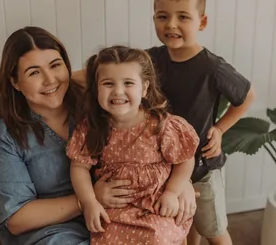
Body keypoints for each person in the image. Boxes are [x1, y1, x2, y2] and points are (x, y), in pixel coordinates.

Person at [0, 27, 135, 245]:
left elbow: (140, 74)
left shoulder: (97, 104)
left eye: (56, 65)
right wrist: (87, 199)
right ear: (15, 82)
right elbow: (16, 218)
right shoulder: (6, 132)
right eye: (34, 72)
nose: (50, 80)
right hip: (49, 233)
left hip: (114, 218)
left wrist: (182, 180)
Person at [147, 0, 256, 245]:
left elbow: (247, 95)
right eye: (163, 16)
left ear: (202, 22)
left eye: (183, 16)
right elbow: (111, 67)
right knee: (181, 226)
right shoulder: (151, 59)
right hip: (168, 168)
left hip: (202, 167)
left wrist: (219, 128)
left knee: (213, 230)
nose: (171, 24)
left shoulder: (212, 68)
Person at [66, 46, 200, 244]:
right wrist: (89, 202)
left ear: (144, 88)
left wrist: (173, 192)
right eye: (108, 83)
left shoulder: (161, 126)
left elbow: (185, 160)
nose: (118, 91)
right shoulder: (93, 128)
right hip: (115, 208)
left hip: (157, 206)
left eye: (128, 83)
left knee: (157, 239)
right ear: (97, 88)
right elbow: (79, 167)